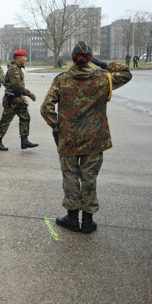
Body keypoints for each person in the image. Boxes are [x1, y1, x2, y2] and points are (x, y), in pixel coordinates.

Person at [41, 41, 131, 234]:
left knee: (70, 176)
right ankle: (88, 221)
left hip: (69, 138)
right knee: (89, 177)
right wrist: (103, 63)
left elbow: (46, 108)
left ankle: (72, 218)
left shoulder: (62, 79)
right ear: (90, 58)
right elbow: (125, 73)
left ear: (72, 59)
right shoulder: (103, 78)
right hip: (95, 138)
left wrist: (57, 129)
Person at [0, 50, 38, 151]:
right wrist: (30, 94)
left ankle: (24, 141)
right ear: (18, 58)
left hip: (18, 100)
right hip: (12, 100)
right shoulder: (14, 70)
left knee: (25, 118)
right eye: (24, 57)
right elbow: (17, 86)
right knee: (5, 121)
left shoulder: (17, 69)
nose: (26, 59)